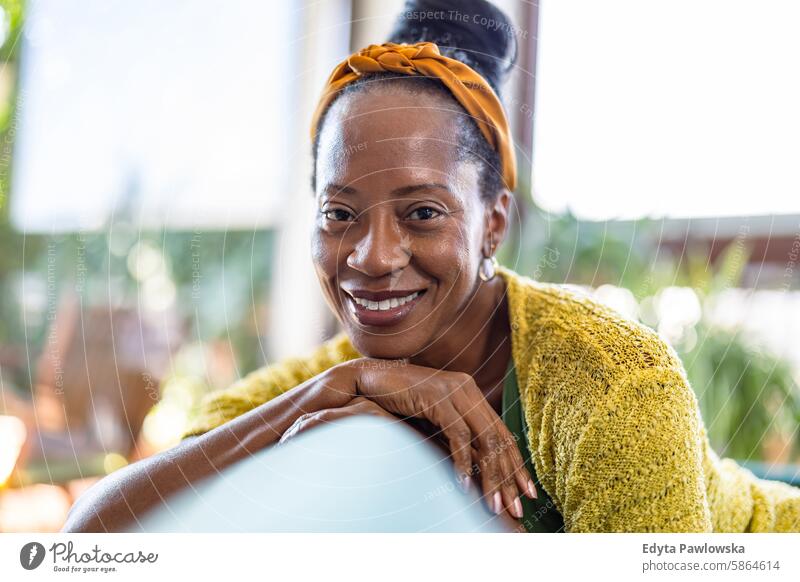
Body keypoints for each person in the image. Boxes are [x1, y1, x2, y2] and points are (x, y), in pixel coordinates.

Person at [63, 0, 800, 533]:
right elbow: (90, 538)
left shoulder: (611, 385)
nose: (372, 257)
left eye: (422, 213)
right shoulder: (323, 379)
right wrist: (337, 387)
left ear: (493, 225)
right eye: (339, 213)